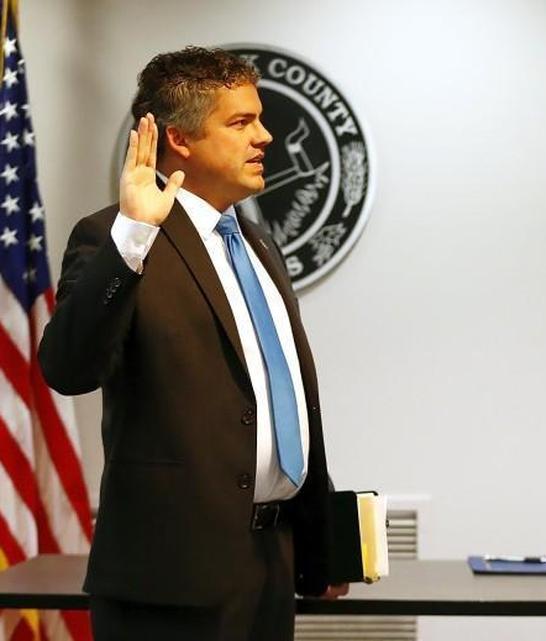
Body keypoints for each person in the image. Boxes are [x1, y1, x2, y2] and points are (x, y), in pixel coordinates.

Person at [39, 47, 347, 640]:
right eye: (240, 123)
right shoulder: (113, 236)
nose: (265, 138)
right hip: (167, 585)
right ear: (178, 141)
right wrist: (133, 237)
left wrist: (319, 544)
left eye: (259, 118)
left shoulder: (259, 246)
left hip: (269, 570)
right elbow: (68, 367)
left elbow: (286, 400)